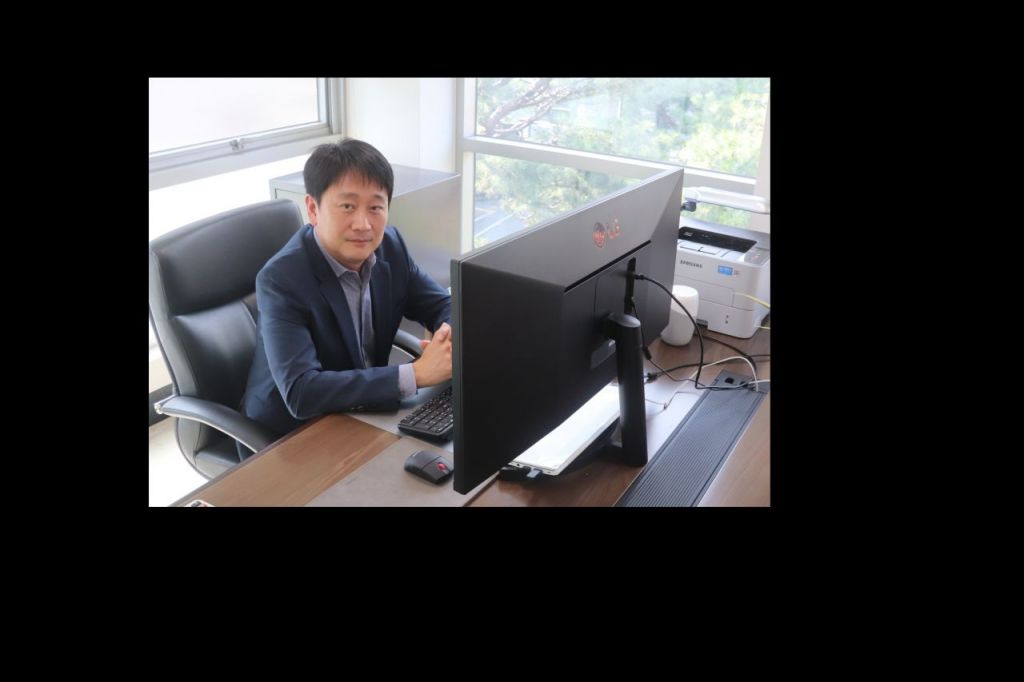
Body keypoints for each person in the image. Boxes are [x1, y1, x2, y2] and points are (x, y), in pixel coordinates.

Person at [239, 138, 452, 446]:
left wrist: (447, 340)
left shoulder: (391, 247)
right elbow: (301, 392)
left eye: (375, 207)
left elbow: (443, 305)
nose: (363, 224)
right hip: (289, 434)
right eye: (347, 206)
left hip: (361, 412)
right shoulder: (281, 280)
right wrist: (416, 374)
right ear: (313, 209)